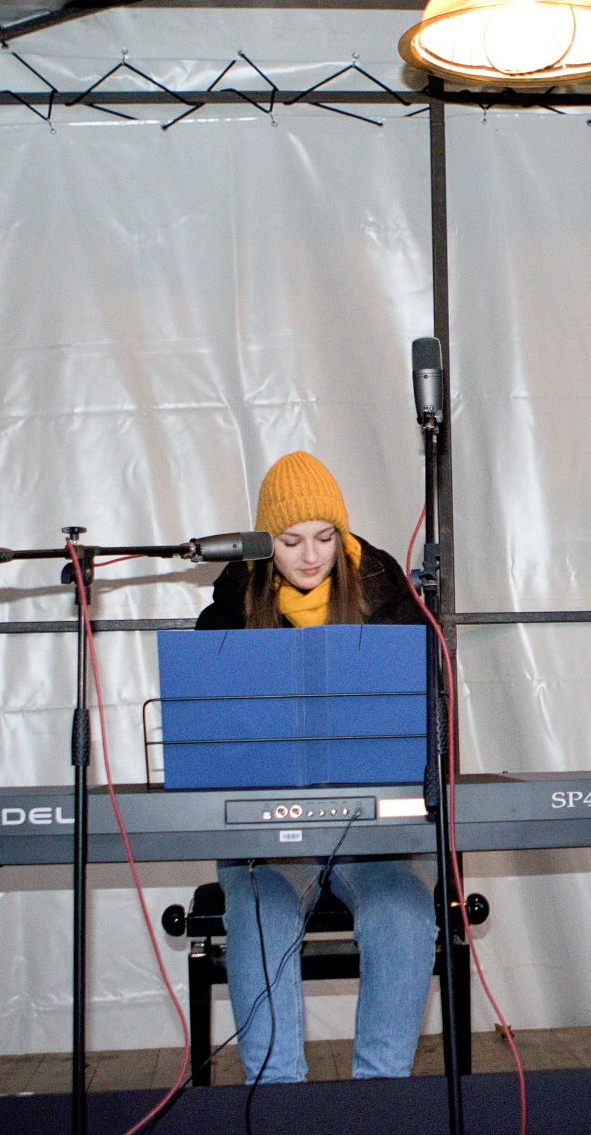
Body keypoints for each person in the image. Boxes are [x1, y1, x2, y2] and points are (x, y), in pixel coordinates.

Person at [196, 450, 437, 1083]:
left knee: (403, 915)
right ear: (263, 543)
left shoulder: (387, 594)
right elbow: (207, 725)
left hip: (373, 831)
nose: (310, 555)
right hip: (271, 832)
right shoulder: (230, 605)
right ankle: (277, 1100)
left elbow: (427, 713)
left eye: (326, 538)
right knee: (261, 916)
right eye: (291, 541)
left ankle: (379, 1099)